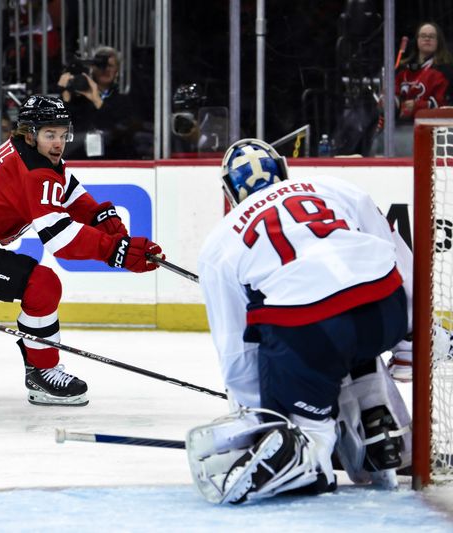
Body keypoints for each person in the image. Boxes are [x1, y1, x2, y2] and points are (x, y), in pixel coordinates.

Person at [0, 94, 164, 407]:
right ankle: (43, 372)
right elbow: (61, 240)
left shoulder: (34, 156)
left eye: (63, 134)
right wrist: (118, 251)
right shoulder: (34, 170)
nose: (58, 143)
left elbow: (72, 195)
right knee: (42, 284)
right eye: (50, 134)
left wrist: (106, 223)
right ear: (30, 134)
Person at [189, 138, 413, 504]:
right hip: (383, 310)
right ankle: (375, 410)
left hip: (311, 335)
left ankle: (309, 452)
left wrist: (259, 418)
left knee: (303, 390)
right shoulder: (335, 187)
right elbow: (397, 257)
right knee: (352, 316)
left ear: (230, 191)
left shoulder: (219, 242)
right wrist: (410, 340)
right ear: (283, 171)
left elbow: (237, 350)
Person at [374, 22, 453, 156]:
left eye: (431, 36)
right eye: (423, 36)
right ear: (416, 40)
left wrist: (417, 106)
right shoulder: (403, 69)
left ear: (438, 41)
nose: (427, 39)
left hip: (434, 130)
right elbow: (392, 94)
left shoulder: (446, 70)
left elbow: (444, 104)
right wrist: (389, 102)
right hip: (400, 129)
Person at [57, 46, 137, 159]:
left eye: (110, 66)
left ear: (117, 71)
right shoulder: (78, 98)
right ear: (92, 68)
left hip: (113, 160)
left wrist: (97, 100)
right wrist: (65, 95)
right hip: (80, 158)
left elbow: (122, 130)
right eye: (100, 65)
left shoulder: (124, 100)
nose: (105, 70)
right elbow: (61, 127)